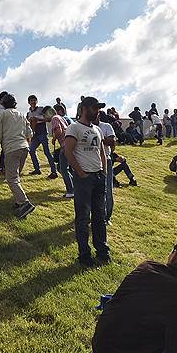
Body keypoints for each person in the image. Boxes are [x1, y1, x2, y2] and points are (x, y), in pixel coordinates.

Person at [65, 96, 110, 267]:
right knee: (83, 217)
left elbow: (101, 153)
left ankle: (102, 250)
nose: (97, 111)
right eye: (94, 108)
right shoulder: (74, 127)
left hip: (98, 177)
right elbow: (68, 152)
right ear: (84, 109)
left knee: (100, 216)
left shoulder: (97, 130)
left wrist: (104, 172)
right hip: (84, 179)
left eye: (98, 109)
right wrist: (81, 173)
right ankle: (84, 254)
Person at [0, 93, 36, 218]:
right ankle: (17, 202)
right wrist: (27, 144)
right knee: (16, 177)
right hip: (24, 148)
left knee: (11, 179)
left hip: (11, 149)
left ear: (3, 104)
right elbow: (29, 133)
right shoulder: (21, 115)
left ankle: (24, 203)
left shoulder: (1, 115)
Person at [26, 95, 58, 178]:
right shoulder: (28, 112)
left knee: (47, 152)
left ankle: (54, 172)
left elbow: (49, 118)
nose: (33, 102)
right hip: (35, 135)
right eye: (31, 100)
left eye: (34, 100)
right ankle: (37, 169)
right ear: (29, 102)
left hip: (43, 133)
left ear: (37, 101)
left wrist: (37, 118)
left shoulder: (41, 109)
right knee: (31, 150)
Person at [96, 111, 117, 225]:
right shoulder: (86, 127)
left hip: (106, 160)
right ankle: (96, 215)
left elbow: (112, 141)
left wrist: (99, 138)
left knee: (107, 189)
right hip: (92, 161)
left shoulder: (106, 126)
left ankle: (107, 216)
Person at [49, 106, 74, 198]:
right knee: (60, 167)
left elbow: (59, 131)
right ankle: (74, 186)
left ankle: (71, 191)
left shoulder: (54, 118)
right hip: (67, 145)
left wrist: (54, 138)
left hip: (65, 146)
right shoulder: (61, 118)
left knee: (63, 169)